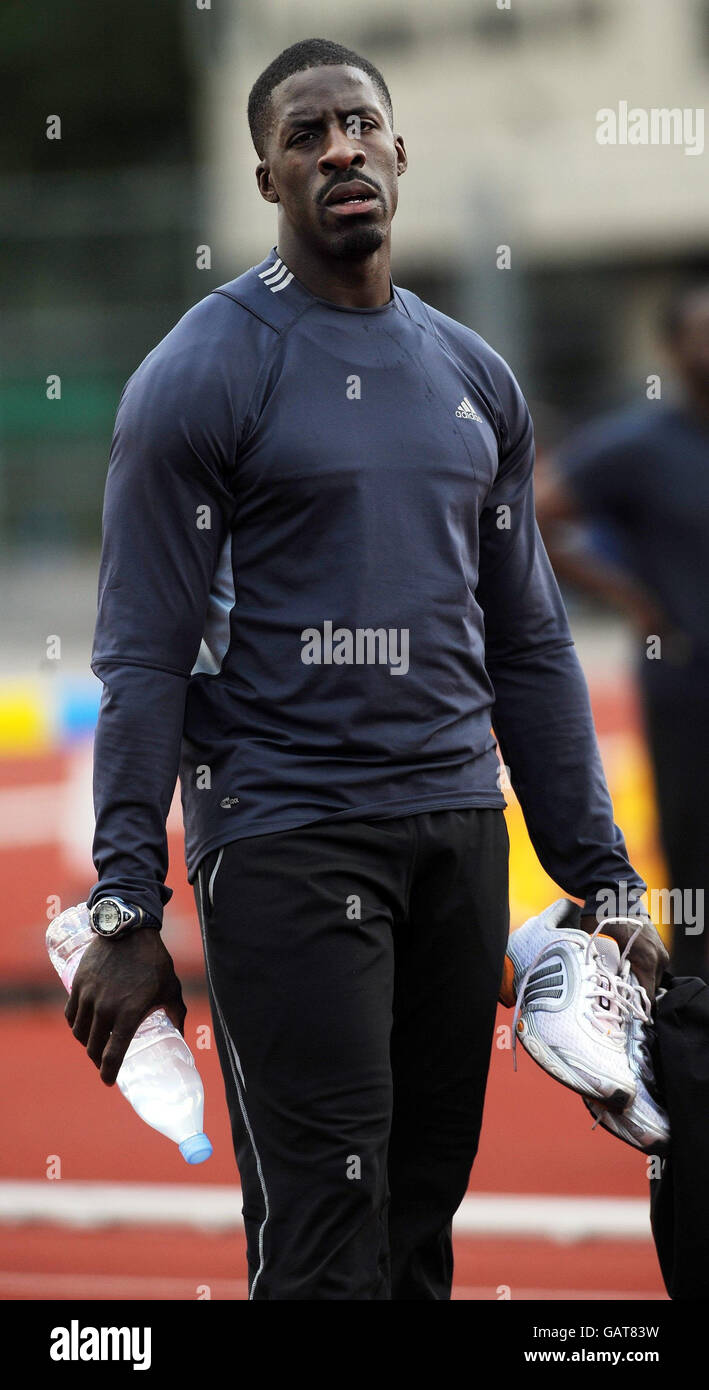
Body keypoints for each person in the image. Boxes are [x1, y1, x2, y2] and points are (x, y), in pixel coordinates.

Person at [65, 37, 667, 1300]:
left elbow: (533, 645)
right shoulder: (200, 374)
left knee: (416, 1224)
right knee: (327, 1235)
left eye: (359, 123)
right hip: (287, 840)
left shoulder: (473, 377)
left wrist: (602, 876)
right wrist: (125, 906)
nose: (339, 147)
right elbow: (141, 654)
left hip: (457, 834)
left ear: (398, 149)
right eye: (306, 135)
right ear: (267, 176)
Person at [537, 285, 709, 980]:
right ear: (671, 349)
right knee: (696, 861)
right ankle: (694, 1017)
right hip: (688, 682)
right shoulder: (641, 446)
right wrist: (631, 599)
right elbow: (532, 513)